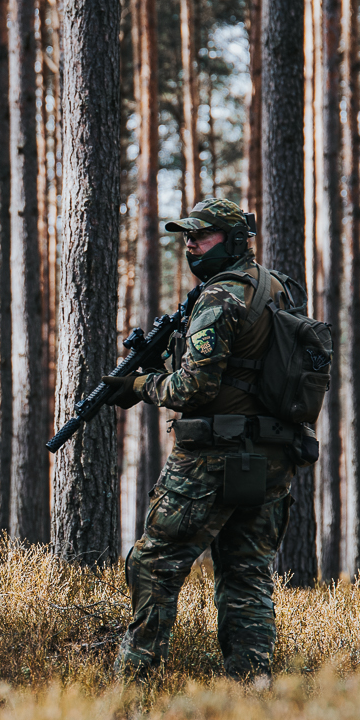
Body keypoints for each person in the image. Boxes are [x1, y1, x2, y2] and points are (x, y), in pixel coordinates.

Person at [109, 197, 308, 681]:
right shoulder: (278, 288)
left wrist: (139, 384)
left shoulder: (219, 297)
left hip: (213, 460)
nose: (191, 245)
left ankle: (135, 684)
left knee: (153, 564)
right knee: (247, 576)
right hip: (271, 456)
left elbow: (193, 388)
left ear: (235, 241)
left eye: (202, 236)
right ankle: (251, 687)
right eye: (187, 237)